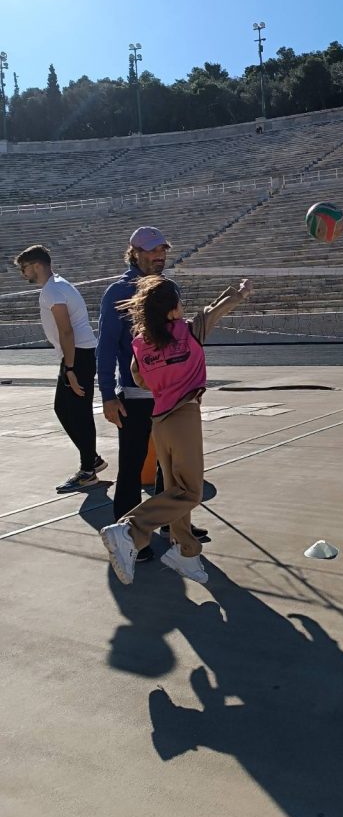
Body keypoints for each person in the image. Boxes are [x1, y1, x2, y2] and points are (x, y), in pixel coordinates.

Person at [100, 274, 253, 585]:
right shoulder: (190, 332)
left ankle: (185, 551)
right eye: (180, 302)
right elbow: (214, 310)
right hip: (184, 415)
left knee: (174, 489)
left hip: (160, 420)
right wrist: (239, 293)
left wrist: (165, 377)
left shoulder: (140, 343)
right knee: (190, 492)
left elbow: (140, 380)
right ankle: (130, 529)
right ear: (172, 309)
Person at [96, 226, 210, 565]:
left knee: (172, 469)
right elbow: (106, 346)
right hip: (133, 394)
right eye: (151, 250)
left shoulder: (168, 287)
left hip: (172, 396)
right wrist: (107, 394)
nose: (159, 255)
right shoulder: (118, 292)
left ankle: (173, 527)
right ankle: (127, 536)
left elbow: (180, 339)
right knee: (131, 466)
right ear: (134, 253)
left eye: (162, 249)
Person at [15, 244, 106, 491]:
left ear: (37, 265)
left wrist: (70, 368)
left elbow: (66, 331)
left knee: (76, 412)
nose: (23, 274)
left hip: (77, 355)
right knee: (68, 409)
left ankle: (88, 469)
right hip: (78, 353)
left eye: (24, 268)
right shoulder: (59, 285)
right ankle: (91, 459)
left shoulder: (52, 291)